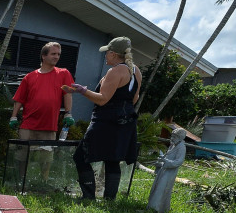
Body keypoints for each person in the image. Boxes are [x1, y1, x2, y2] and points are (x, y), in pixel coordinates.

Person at [63, 36, 142, 200]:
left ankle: (88, 196)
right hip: (126, 120)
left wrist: (82, 91)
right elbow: (134, 99)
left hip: (107, 120)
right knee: (112, 159)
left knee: (80, 156)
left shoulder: (115, 71)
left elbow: (103, 99)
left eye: (107, 53)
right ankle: (109, 199)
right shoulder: (136, 71)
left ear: (113, 54)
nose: (105, 56)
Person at [10, 42, 75, 179]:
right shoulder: (30, 77)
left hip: (49, 125)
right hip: (28, 124)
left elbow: (68, 94)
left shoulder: (63, 73)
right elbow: (19, 99)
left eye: (58, 54)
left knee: (45, 159)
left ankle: (43, 182)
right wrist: (13, 117)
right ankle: (21, 181)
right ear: (43, 56)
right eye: (53, 54)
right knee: (23, 157)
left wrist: (68, 113)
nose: (56, 57)